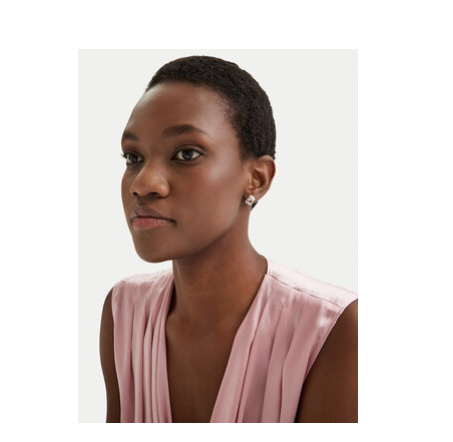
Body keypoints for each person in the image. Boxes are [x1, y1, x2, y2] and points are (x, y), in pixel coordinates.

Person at [99, 55, 358, 423]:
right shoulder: (124, 312)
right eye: (133, 157)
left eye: (186, 154)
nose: (143, 184)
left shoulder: (333, 329)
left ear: (257, 178)